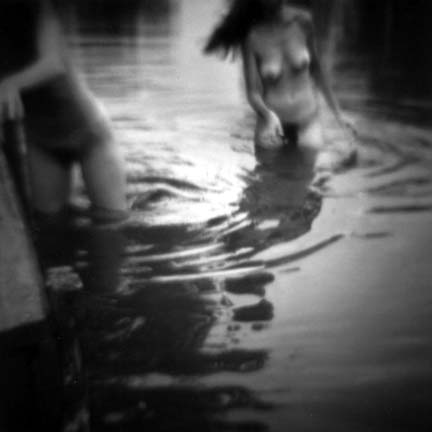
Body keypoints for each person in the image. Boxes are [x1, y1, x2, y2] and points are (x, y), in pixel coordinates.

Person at [0, 0, 128, 222]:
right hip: (40, 139)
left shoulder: (42, 6)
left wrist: (10, 83)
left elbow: (53, 63)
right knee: (51, 224)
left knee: (111, 222)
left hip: (87, 131)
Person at [204, 0, 356, 169]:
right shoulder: (252, 37)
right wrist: (268, 116)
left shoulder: (302, 21)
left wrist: (339, 114)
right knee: (268, 181)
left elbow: (317, 71)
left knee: (306, 176)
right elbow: (253, 93)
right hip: (271, 126)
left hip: (307, 120)